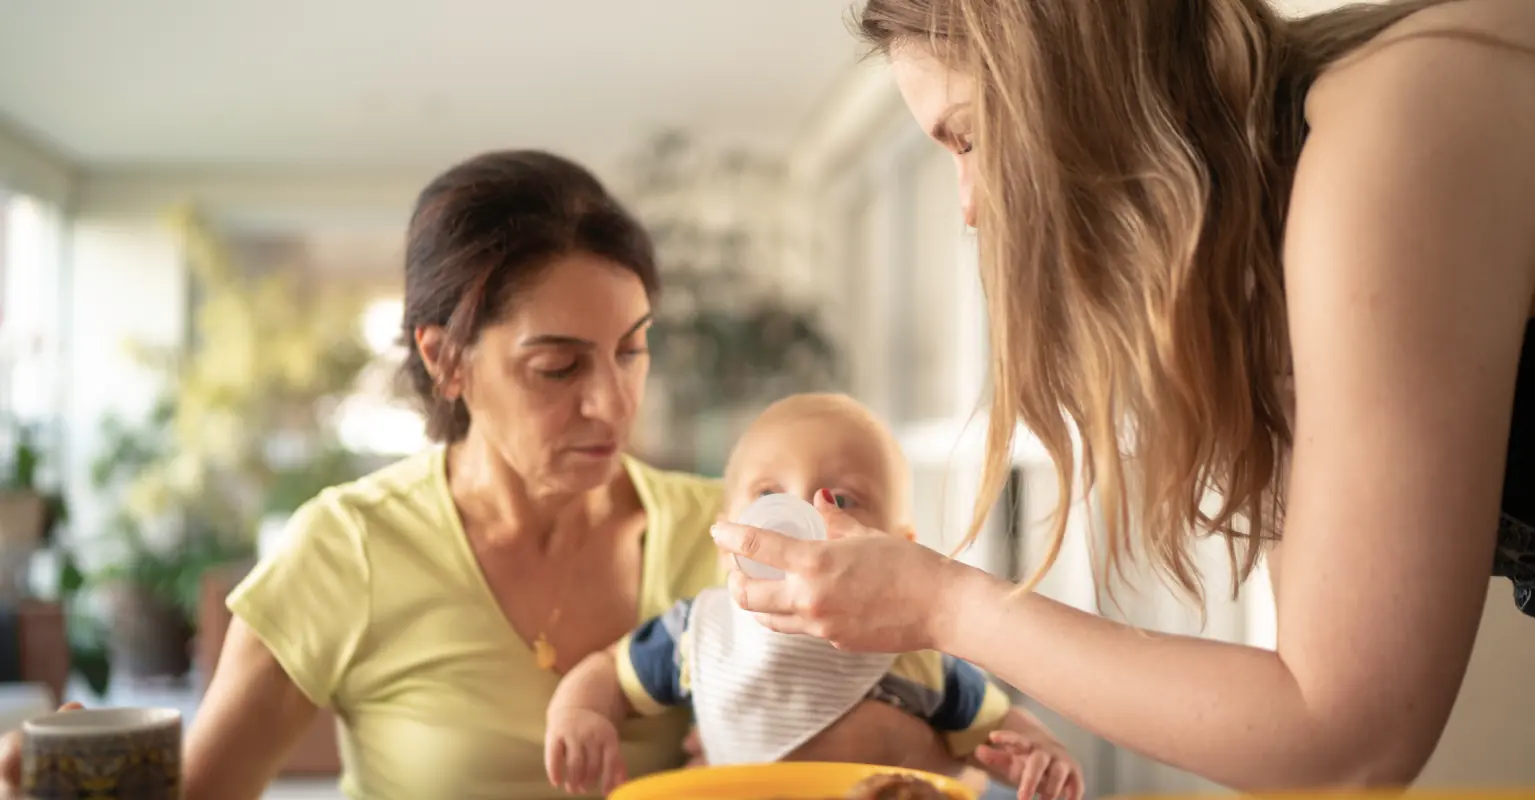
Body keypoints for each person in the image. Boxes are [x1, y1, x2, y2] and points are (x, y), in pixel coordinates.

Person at [711, 0, 1535, 792]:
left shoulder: (1388, 124)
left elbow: (1348, 746)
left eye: (967, 137)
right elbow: (1309, 721)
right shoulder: (1274, 256)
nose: (966, 205)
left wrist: (939, 603)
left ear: (1068, 78)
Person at [0, 151, 955, 800]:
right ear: (447, 360)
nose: (612, 405)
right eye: (558, 367)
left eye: (632, 351)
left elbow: (918, 713)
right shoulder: (348, 548)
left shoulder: (739, 537)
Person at [543, 393, 1082, 799]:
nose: (801, 516)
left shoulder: (910, 652)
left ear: (898, 548)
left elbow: (993, 724)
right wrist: (580, 712)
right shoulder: (699, 636)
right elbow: (610, 673)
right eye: (769, 494)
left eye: (841, 498)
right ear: (727, 533)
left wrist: (1039, 751)